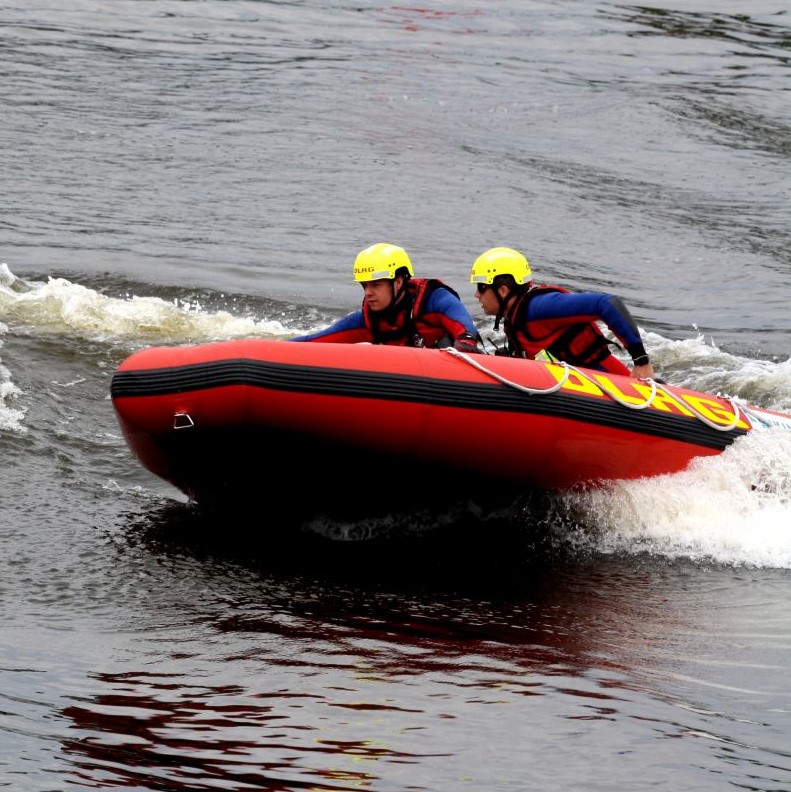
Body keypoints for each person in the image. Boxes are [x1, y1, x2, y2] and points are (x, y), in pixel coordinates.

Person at [469, 246, 656, 379]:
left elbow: (606, 303)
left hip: (616, 390)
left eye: (482, 287)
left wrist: (641, 361)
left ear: (503, 290)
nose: (477, 294)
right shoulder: (515, 318)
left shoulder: (540, 307)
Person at [291, 242, 482, 352]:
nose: (368, 293)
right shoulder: (367, 319)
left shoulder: (434, 300)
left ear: (398, 282)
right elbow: (312, 342)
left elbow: (466, 330)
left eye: (375, 285)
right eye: (364, 286)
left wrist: (464, 344)